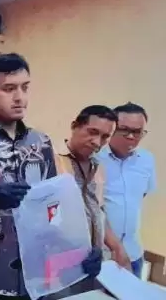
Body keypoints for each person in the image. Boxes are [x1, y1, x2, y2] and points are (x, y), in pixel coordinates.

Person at [0, 53, 102, 300]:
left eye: (25, 87)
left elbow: (52, 210)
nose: (19, 97)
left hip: (37, 281)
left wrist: (80, 250)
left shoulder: (41, 143)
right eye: (8, 89)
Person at [47, 105, 129, 298]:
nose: (97, 142)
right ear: (74, 126)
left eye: (105, 137)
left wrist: (116, 247)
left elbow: (98, 211)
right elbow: (43, 217)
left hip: (94, 264)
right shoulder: (50, 160)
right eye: (92, 132)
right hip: (58, 266)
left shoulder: (98, 167)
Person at [96, 102, 156, 277]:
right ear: (112, 129)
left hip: (133, 254)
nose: (131, 136)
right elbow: (90, 208)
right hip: (101, 256)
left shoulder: (147, 160)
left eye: (137, 132)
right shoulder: (95, 159)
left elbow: (140, 196)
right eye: (124, 130)